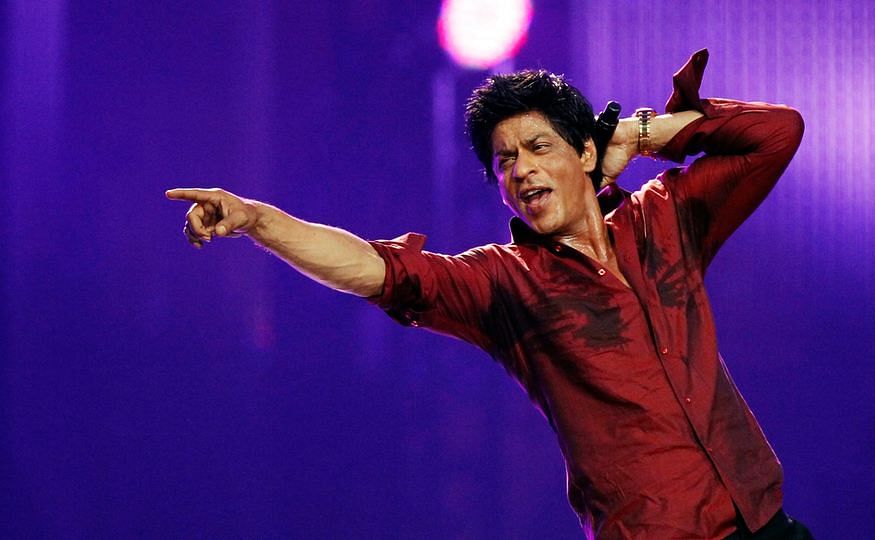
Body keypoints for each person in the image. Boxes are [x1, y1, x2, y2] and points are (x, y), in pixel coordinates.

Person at [167, 50, 811, 539]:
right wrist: (255, 217)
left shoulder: (664, 219)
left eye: (538, 147)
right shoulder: (503, 282)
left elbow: (777, 133)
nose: (522, 169)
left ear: (586, 152)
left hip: (765, 520)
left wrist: (640, 134)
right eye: (504, 161)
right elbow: (370, 269)